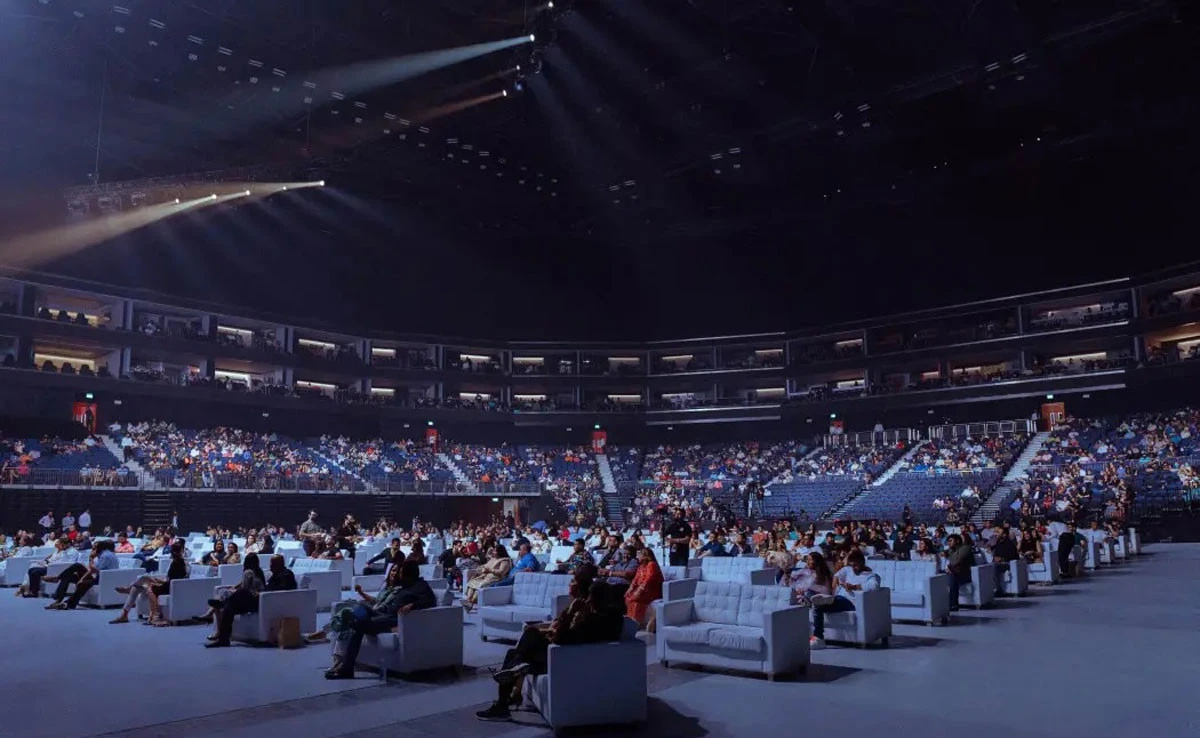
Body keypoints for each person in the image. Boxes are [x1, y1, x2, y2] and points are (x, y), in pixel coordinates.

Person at [477, 566, 624, 721]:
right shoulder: (609, 617)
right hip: (567, 657)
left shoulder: (591, 619)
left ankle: (504, 699)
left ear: (594, 598)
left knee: (527, 639)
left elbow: (563, 637)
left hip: (562, 662)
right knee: (519, 648)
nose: (587, 601)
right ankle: (512, 681)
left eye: (590, 598)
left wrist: (559, 625)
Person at [324, 561, 437, 679]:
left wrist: (413, 605)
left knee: (357, 624)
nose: (399, 574)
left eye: (401, 572)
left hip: (393, 618)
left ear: (409, 573)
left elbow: (430, 601)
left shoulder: (420, 586)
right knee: (358, 610)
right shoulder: (405, 584)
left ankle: (346, 667)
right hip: (383, 614)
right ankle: (346, 666)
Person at [206, 554, 297, 647]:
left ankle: (223, 603)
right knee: (230, 607)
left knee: (242, 592)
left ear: (279, 564)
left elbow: (282, 590)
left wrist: (261, 593)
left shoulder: (286, 574)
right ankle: (223, 639)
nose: (270, 566)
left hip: (269, 603)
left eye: (272, 564)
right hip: (262, 599)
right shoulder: (275, 575)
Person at [810, 549, 880, 650]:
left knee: (821, 605)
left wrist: (854, 587)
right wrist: (835, 587)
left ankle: (819, 637)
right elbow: (836, 575)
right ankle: (828, 600)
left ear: (862, 562)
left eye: (856, 565)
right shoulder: (848, 569)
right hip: (839, 597)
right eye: (852, 565)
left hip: (851, 601)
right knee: (818, 606)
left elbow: (874, 586)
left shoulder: (870, 575)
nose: (854, 568)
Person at [110, 540, 190, 626]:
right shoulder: (175, 561)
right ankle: (124, 614)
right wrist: (158, 580)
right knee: (139, 584)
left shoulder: (178, 563)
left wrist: (158, 582)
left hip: (170, 587)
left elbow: (173, 581)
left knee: (145, 583)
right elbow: (170, 578)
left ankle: (129, 595)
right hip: (168, 584)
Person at [45, 540, 119, 609]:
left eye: (95, 547)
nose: (93, 549)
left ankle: (66, 602)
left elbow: (94, 570)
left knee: (80, 576)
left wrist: (91, 558)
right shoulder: (106, 554)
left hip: (102, 579)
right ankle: (58, 600)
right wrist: (81, 578)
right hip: (99, 576)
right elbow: (92, 570)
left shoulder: (105, 556)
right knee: (69, 576)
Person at [199, 553, 265, 626]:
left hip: (249, 597)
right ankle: (213, 613)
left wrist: (238, 589)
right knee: (224, 593)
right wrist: (235, 587)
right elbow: (243, 583)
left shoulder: (255, 573)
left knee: (226, 598)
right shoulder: (250, 572)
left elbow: (254, 588)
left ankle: (210, 613)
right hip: (244, 593)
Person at [462, 544, 512, 612]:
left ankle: (471, 602)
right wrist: (480, 568)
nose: (493, 552)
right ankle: (468, 600)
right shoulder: (493, 559)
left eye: (495, 551)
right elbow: (485, 565)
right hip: (485, 576)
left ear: (500, 552)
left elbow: (501, 572)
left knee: (481, 585)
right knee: (472, 583)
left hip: (495, 578)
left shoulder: (505, 561)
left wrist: (490, 570)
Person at [624, 546, 663, 627]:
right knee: (628, 597)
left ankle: (635, 623)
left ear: (645, 556)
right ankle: (631, 621)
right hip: (643, 590)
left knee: (635, 599)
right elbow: (635, 580)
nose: (637, 556)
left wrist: (638, 592)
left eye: (639, 554)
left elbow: (648, 580)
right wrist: (630, 590)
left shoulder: (652, 565)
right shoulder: (641, 566)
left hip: (652, 591)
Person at [944, 533, 975, 611]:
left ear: (957, 541)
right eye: (948, 541)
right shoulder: (951, 550)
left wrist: (949, 566)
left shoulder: (965, 548)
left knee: (953, 577)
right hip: (954, 572)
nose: (949, 543)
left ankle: (953, 605)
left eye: (951, 541)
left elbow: (957, 561)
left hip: (965, 574)